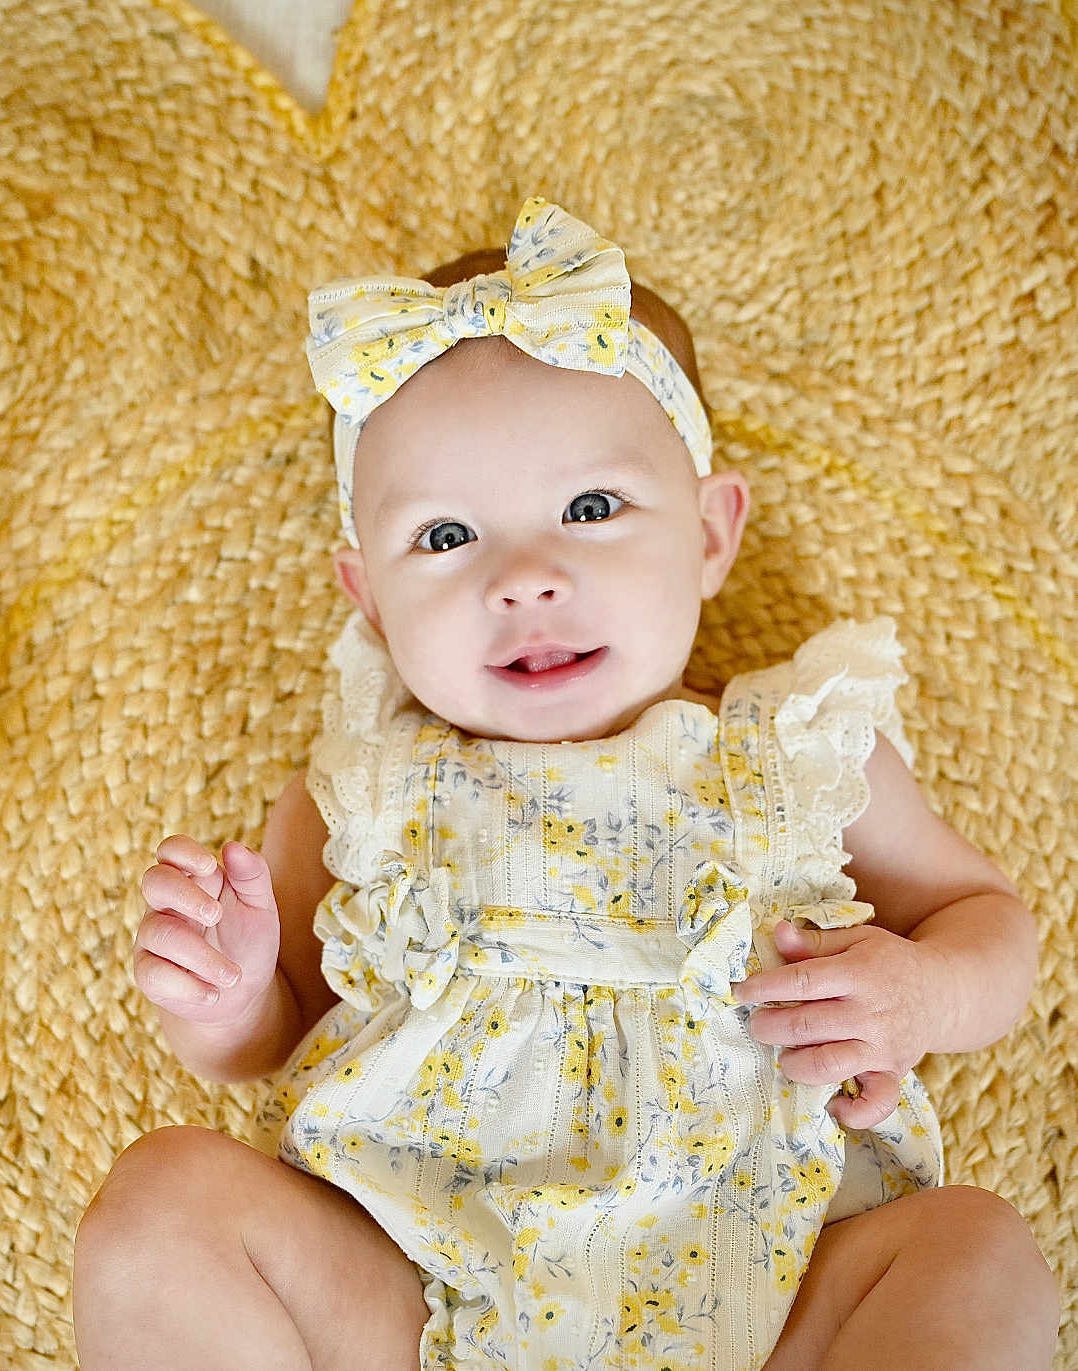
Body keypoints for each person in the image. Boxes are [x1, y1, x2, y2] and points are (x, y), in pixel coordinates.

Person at [73, 197, 1060, 1371]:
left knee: (975, 1248)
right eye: (446, 537)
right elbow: (277, 1034)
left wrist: (922, 994)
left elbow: (994, 928)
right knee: (165, 1200)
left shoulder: (794, 758)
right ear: (368, 597)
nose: (526, 578)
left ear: (708, 531)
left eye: (591, 511)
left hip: (773, 1290)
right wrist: (227, 996)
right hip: (417, 1287)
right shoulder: (358, 795)